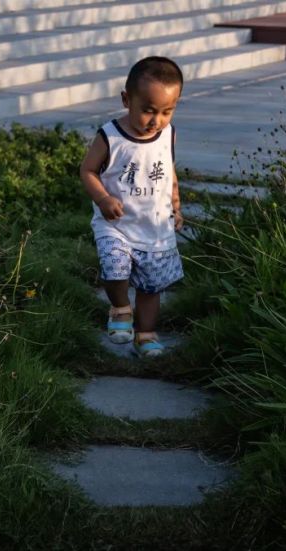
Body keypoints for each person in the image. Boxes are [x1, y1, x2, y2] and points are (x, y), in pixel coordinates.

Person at [79, 56, 184, 358]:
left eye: (167, 111)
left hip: (155, 228)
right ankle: (120, 308)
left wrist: (176, 206)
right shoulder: (111, 136)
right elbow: (87, 170)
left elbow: (169, 171)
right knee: (115, 269)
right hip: (116, 225)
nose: (157, 120)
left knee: (152, 288)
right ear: (127, 100)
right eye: (148, 110)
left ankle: (146, 334)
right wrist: (102, 198)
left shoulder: (168, 134)